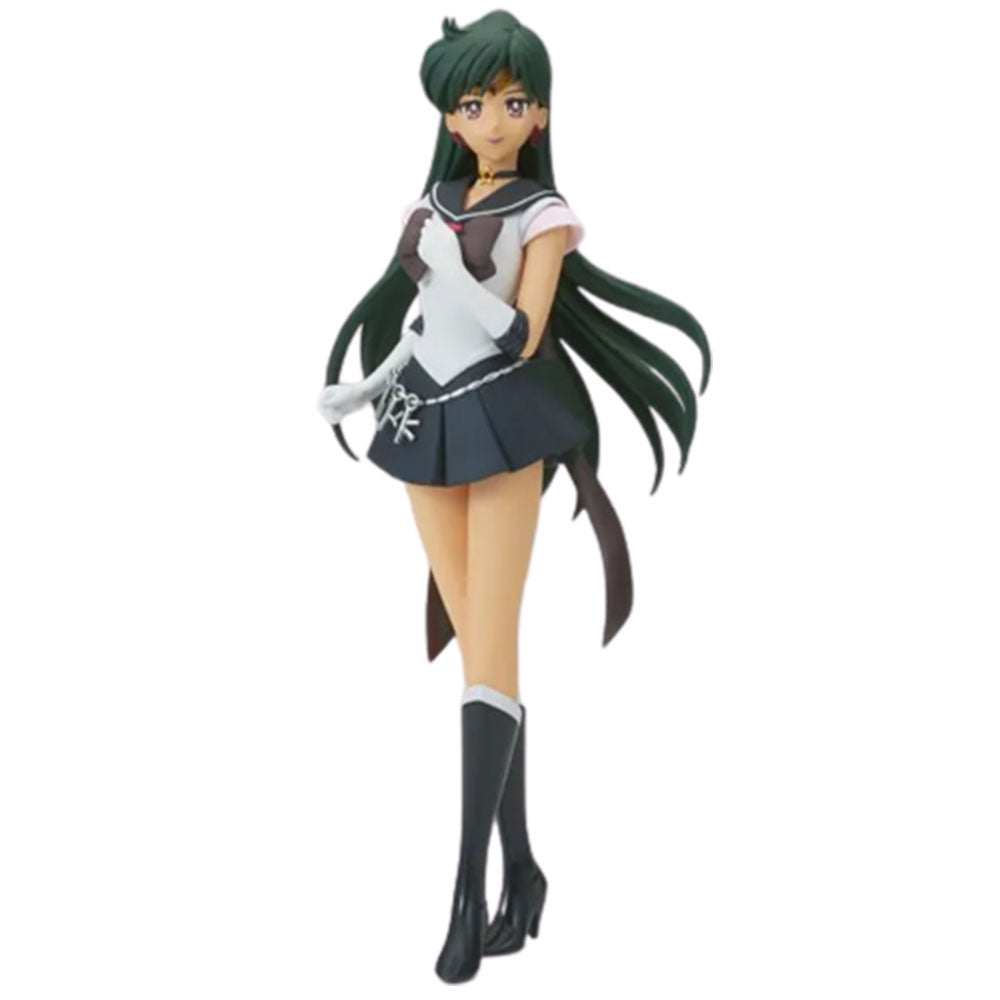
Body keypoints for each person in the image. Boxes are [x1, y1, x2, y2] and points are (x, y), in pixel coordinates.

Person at [316, 10, 711, 984]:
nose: (492, 120)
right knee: (482, 654)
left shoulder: (545, 215)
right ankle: (523, 870)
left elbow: (519, 334)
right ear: (449, 118)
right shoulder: (434, 203)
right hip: (418, 418)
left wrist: (448, 270)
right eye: (473, 104)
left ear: (539, 113)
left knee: (489, 647)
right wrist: (365, 387)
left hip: (504, 421)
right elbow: (421, 323)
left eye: (512, 101)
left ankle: (466, 891)